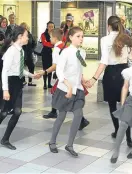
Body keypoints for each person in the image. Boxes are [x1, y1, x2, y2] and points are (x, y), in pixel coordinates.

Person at [86, 16, 132, 148]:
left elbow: (104, 61)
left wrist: (94, 78)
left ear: (108, 26)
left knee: (112, 106)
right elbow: (131, 58)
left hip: (111, 75)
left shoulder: (104, 40)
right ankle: (129, 138)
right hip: (124, 73)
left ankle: (117, 130)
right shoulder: (126, 38)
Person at [39, 28, 89, 130]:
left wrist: (44, 72)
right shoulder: (65, 46)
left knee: (61, 97)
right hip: (70, 79)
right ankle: (79, 118)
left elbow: (56, 66)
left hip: (63, 79)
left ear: (54, 37)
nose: (50, 39)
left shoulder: (58, 49)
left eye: (51, 37)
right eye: (78, 36)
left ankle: (60, 114)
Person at [48, 26, 87, 156]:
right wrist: (68, 85)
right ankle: (52, 141)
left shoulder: (82, 53)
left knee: (78, 115)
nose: (81, 39)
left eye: (82, 36)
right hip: (65, 89)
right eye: (78, 36)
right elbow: (59, 71)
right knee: (61, 116)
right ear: (70, 37)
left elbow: (79, 70)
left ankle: (69, 145)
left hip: (78, 90)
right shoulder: (65, 52)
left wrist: (84, 79)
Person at [0, 26, 39, 150]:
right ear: (19, 37)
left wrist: (31, 75)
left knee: (17, 111)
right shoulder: (11, 51)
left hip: (17, 83)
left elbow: (19, 69)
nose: (28, 38)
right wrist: (5, 90)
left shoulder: (21, 51)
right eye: (27, 35)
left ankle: (5, 139)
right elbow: (5, 71)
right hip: (10, 83)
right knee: (4, 112)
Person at [20, 22, 36, 86]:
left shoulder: (30, 35)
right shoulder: (19, 35)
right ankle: (23, 81)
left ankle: (30, 82)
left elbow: (34, 43)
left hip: (29, 54)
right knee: (22, 67)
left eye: (25, 27)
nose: (25, 28)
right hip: (22, 54)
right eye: (23, 27)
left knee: (32, 66)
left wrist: (32, 50)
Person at [41, 21, 54, 89]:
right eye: (49, 26)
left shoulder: (54, 34)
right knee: (45, 68)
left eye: (52, 26)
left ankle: (49, 83)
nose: (51, 28)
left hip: (52, 54)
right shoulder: (43, 34)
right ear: (47, 27)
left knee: (51, 69)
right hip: (45, 53)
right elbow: (44, 43)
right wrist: (52, 45)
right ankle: (45, 84)